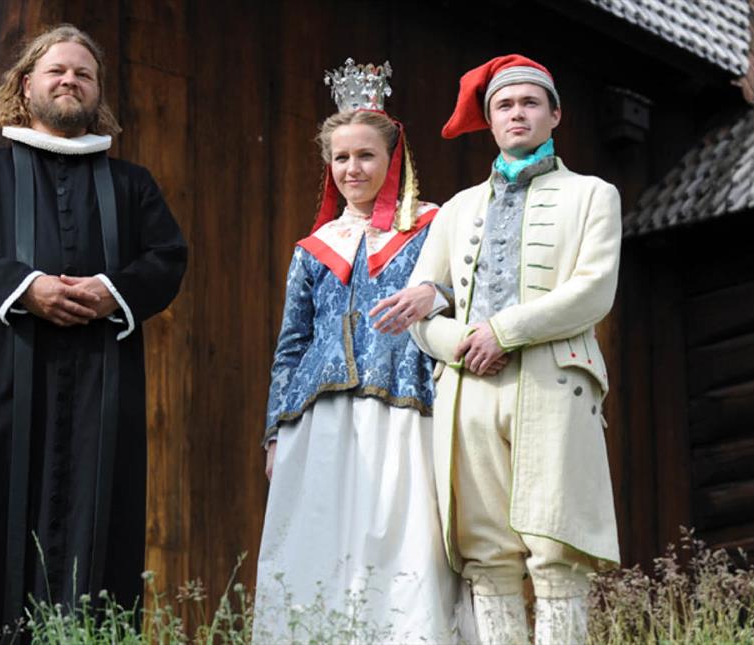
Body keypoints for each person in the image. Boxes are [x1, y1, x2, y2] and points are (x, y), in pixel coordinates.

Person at [0, 24, 187, 643]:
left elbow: (167, 258)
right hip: (3, 383)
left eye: (83, 74)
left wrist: (113, 292)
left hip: (101, 387)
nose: (70, 81)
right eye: (57, 70)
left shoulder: (132, 185)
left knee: (98, 526)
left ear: (97, 94)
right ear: (26, 83)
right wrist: (24, 287)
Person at [396, 54, 621, 644]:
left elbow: (592, 292)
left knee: (556, 548)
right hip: (467, 391)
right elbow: (420, 312)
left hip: (554, 384)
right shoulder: (455, 210)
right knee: (485, 552)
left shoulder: (593, 195)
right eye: (504, 105)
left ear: (555, 115)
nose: (516, 113)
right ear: (490, 122)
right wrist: (466, 342)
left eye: (529, 103)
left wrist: (505, 331)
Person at [254, 59, 466, 644]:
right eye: (341, 158)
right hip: (318, 420)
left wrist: (436, 292)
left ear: (393, 157)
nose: (353, 168)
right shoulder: (314, 249)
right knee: (317, 543)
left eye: (365, 155)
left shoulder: (432, 225)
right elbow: (291, 343)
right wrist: (275, 429)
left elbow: (467, 294)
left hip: (402, 406)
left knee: (401, 542)